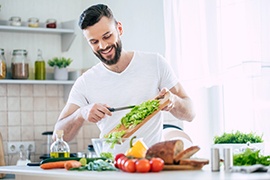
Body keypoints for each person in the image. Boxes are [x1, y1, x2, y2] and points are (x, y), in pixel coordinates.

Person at [53, 4, 196, 150]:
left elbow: (190, 113)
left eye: (107, 36)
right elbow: (59, 136)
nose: (102, 46)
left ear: (119, 29)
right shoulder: (85, 82)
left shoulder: (155, 64)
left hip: (151, 166)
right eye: (94, 42)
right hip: (110, 167)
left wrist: (174, 101)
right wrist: (80, 114)